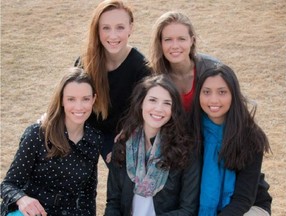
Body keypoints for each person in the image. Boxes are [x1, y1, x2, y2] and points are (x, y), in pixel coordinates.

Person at [0, 67, 103, 216]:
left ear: (93, 99)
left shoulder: (94, 139)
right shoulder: (37, 134)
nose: (79, 106)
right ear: (61, 99)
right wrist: (22, 199)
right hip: (29, 212)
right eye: (71, 99)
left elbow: (88, 194)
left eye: (85, 99)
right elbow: (8, 185)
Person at [104, 75, 201, 216]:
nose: (159, 108)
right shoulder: (123, 146)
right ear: (141, 102)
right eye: (153, 100)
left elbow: (188, 210)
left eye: (167, 103)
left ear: (174, 109)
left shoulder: (186, 150)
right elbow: (113, 202)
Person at [189, 64, 272, 215]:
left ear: (233, 94)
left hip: (249, 207)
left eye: (222, 92)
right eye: (206, 92)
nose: (213, 100)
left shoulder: (250, 135)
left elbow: (243, 199)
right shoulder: (190, 130)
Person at [74, 0, 151, 164]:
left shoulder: (142, 68)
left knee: (122, 170)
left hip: (122, 132)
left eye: (120, 27)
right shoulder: (85, 63)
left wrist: (123, 140)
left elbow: (143, 114)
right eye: (106, 28)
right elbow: (70, 101)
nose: (113, 35)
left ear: (131, 27)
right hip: (86, 128)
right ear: (97, 29)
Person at [149, 11, 221, 111]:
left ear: (192, 40)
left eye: (181, 39)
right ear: (160, 43)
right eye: (168, 39)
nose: (175, 46)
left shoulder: (212, 69)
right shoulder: (153, 75)